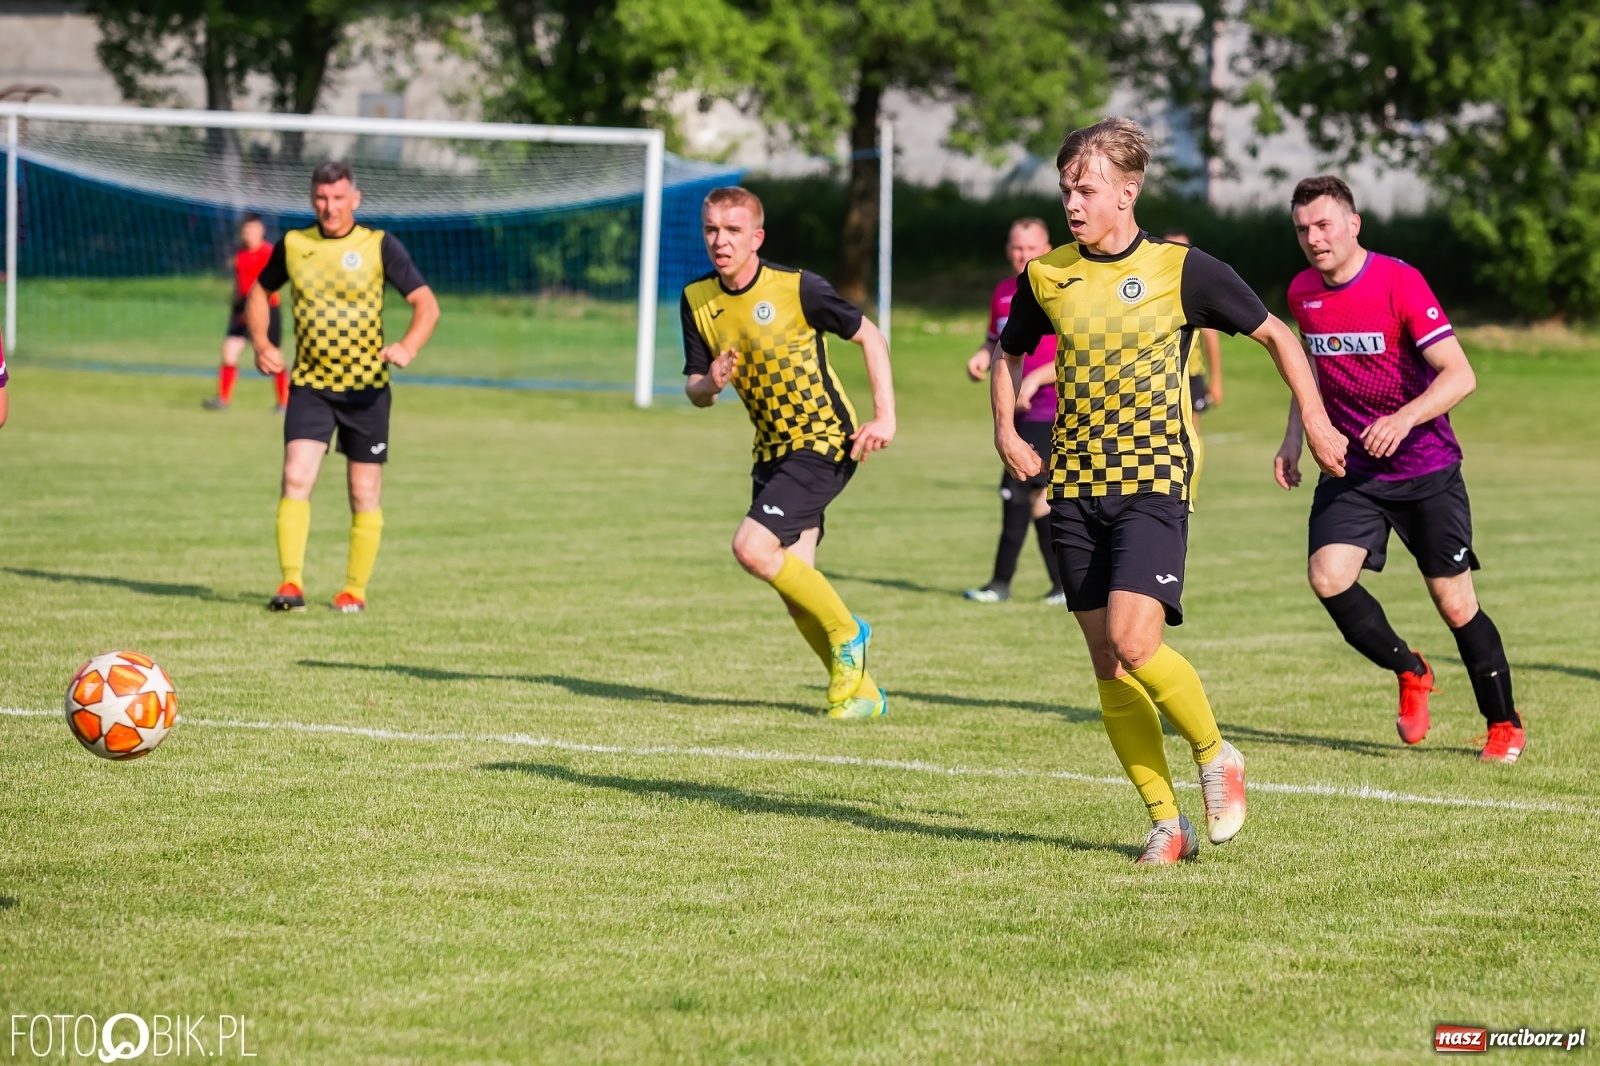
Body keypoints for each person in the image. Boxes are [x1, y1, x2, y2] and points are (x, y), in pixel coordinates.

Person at [992, 118, 1348, 864]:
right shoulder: (1047, 274)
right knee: (1106, 662)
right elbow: (1010, 348)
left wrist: (1313, 422)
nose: (1073, 204)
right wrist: (1005, 429)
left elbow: (1280, 337)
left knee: (1134, 640)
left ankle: (1218, 756)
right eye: (1066, 190)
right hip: (1074, 486)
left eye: (1085, 189)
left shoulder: (1181, 269)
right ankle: (1166, 824)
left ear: (1129, 191)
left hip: (1154, 481)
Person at [1277, 176, 1525, 763]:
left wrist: (1405, 419)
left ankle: (1504, 725)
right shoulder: (1302, 293)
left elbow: (1460, 374)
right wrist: (1295, 435)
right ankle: (1410, 670)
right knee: (1327, 575)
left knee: (1455, 604)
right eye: (1303, 229)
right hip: (1353, 471)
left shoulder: (1398, 282)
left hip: (1427, 468)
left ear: (1353, 223)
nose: (1314, 239)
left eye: (1324, 225)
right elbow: (1309, 370)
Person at [682, 186, 896, 719]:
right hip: (771, 451)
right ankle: (863, 691)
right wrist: (710, 381)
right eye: (711, 229)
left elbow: (870, 336)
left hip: (823, 440)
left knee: (751, 548)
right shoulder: (697, 300)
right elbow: (697, 394)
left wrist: (885, 414)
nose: (720, 241)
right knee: (794, 586)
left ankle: (850, 631)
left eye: (732, 231)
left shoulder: (798, 288)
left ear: (757, 237)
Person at [248, 161, 439, 614]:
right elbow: (259, 293)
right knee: (295, 475)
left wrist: (409, 346)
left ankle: (354, 591)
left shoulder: (378, 245)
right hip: (310, 385)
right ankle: (291, 585)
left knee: (363, 492)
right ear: (311, 198)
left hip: (366, 391)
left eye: (337, 198)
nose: (329, 207)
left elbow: (425, 303)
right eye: (320, 198)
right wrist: (260, 342)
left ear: (356, 197)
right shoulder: (294, 244)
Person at [963, 218, 1065, 605]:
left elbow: (1076, 352)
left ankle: (1000, 584)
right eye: (1017, 248)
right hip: (1017, 414)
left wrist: (1036, 380)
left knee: (1017, 490)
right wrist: (979, 358)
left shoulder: (1060, 286)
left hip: (1051, 411)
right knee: (1036, 499)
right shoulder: (1004, 291)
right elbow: (996, 341)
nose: (1023, 255)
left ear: (1047, 247)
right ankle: (1060, 584)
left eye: (1031, 248)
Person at [1160, 231, 1223, 499]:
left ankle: (1190, 490)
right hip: (1161, 374)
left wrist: (1216, 380)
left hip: (1190, 373)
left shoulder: (1194, 285)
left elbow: (1211, 336)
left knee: (1192, 429)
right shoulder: (1157, 283)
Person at [205, 214, 290, 413]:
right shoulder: (239, 254)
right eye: (246, 230)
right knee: (228, 352)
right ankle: (223, 399)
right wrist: (235, 308)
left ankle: (284, 402)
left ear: (262, 231)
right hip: (241, 309)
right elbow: (238, 284)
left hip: (267, 309)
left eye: (253, 230)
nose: (249, 234)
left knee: (273, 356)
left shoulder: (270, 253)